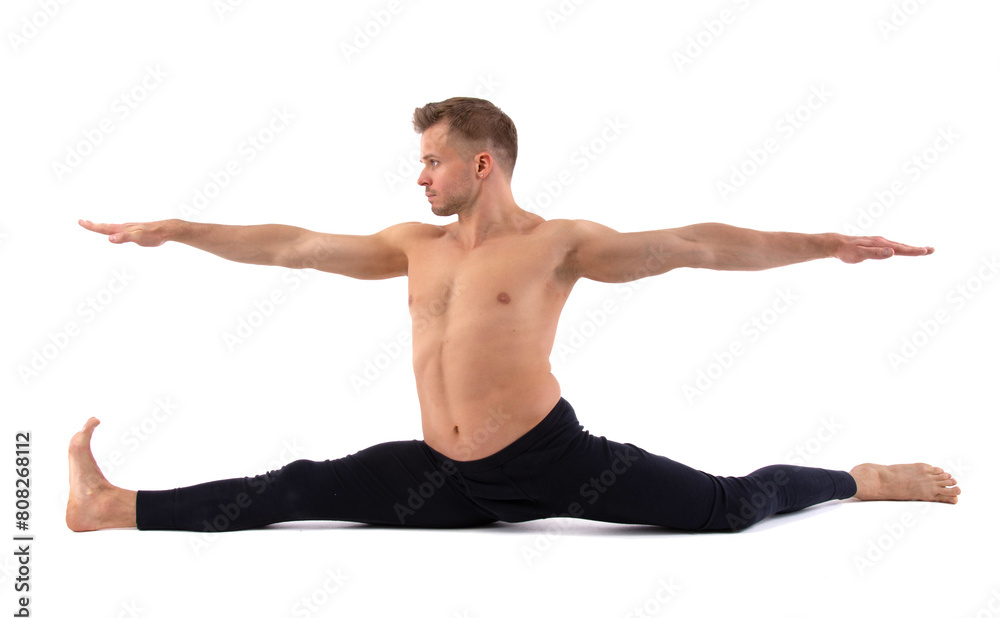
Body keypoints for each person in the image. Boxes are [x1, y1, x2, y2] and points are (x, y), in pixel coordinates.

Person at [67, 97, 960, 534]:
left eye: (431, 160)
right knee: (297, 487)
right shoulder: (411, 244)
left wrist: (822, 241)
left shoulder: (559, 244)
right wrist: (180, 229)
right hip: (443, 474)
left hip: (554, 462)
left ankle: (862, 479)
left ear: (482, 164)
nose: (419, 176)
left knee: (730, 508)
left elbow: (698, 243)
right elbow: (291, 246)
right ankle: (109, 504)